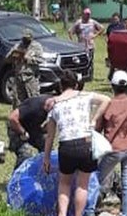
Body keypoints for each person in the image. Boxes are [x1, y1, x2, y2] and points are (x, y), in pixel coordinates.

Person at [43, 71, 111, 216]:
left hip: (66, 146)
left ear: (61, 86)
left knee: (64, 184)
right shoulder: (84, 96)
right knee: (82, 185)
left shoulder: (55, 104)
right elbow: (106, 99)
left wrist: (46, 158)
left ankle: (62, 214)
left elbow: (50, 136)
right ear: (76, 84)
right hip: (85, 143)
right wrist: (94, 119)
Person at [95, 71, 127, 216]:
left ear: (113, 86)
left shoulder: (108, 105)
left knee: (98, 180)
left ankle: (92, 208)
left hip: (113, 150)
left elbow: (97, 129)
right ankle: (125, 212)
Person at [8, 94, 56, 169]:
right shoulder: (34, 106)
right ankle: (17, 177)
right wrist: (23, 132)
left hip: (33, 128)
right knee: (26, 153)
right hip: (17, 128)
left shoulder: (54, 107)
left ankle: (44, 173)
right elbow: (12, 118)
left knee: (48, 149)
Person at [6, 28, 44, 108]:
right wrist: (14, 56)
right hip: (18, 76)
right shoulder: (18, 46)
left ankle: (34, 117)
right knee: (17, 100)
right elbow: (7, 58)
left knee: (33, 99)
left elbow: (40, 60)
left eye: (27, 38)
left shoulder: (36, 46)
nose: (25, 40)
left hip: (30, 77)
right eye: (24, 38)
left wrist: (29, 59)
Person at [69, 8, 104, 77]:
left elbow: (102, 28)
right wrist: (72, 42)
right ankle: (82, 73)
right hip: (81, 46)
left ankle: (90, 74)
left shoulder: (92, 22)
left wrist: (95, 35)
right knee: (81, 60)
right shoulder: (79, 22)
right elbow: (70, 31)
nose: (88, 16)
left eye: (89, 14)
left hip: (90, 45)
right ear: (83, 14)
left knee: (90, 61)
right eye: (86, 14)